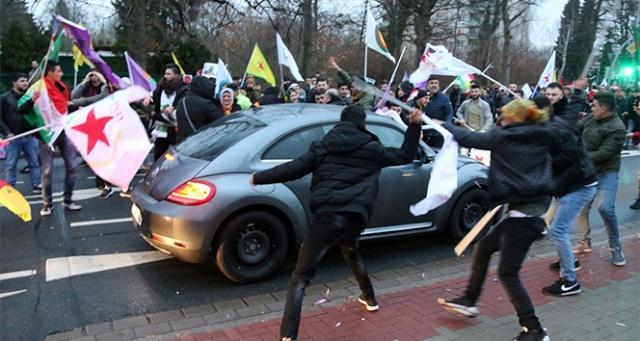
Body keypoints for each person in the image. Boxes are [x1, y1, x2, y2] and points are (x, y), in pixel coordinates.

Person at [251, 106, 423, 341]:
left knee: (300, 278)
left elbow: (292, 169)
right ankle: (370, 299)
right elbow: (406, 155)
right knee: (352, 252)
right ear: (363, 126)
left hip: (327, 217)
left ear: (340, 124)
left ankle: (288, 336)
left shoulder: (322, 147)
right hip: (354, 216)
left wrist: (259, 177)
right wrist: (413, 126)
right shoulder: (372, 148)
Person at [437, 99, 555, 341]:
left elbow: (470, 139)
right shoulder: (538, 134)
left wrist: (442, 124)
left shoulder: (506, 137)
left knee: (508, 274)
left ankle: (534, 330)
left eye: (505, 115)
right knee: (483, 247)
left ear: (515, 118)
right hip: (527, 213)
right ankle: (469, 300)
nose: (502, 118)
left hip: (524, 219)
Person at [541, 103, 597, 297]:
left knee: (558, 229)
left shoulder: (558, 131)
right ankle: (568, 261)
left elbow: (569, 155)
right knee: (551, 224)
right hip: (569, 187)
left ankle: (570, 281)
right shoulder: (553, 128)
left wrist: (545, 163)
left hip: (579, 187)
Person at [19, 60, 82, 216]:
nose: (61, 73)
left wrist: (77, 107)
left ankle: (68, 199)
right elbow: (22, 109)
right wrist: (33, 100)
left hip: (64, 133)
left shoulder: (62, 87)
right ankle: (47, 204)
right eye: (59, 71)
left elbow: (66, 107)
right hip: (47, 136)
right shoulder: (38, 89)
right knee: (47, 171)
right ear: (51, 73)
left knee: (73, 167)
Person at [573, 91, 626, 266]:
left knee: (605, 208)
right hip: (587, 172)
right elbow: (577, 128)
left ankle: (616, 247)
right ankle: (584, 241)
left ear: (603, 109)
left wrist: (578, 155)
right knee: (581, 207)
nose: (591, 108)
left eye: (594, 105)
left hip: (606, 172)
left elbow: (603, 154)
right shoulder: (591, 118)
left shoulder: (617, 128)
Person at [0, 72, 42, 193]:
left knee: (34, 162)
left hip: (29, 135)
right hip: (12, 137)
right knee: (11, 164)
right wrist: (7, 132)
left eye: (26, 80)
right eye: (22, 81)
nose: (25, 83)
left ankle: (37, 184)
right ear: (14, 83)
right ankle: (10, 188)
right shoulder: (4, 98)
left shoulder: (29, 98)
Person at [149, 63, 188, 161]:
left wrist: (173, 107)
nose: (165, 76)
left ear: (177, 75)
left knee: (178, 155)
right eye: (165, 74)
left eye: (168, 74)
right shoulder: (160, 87)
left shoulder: (184, 88)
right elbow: (154, 98)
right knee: (158, 155)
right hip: (161, 126)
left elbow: (184, 101)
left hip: (175, 127)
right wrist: (148, 98)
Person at [175, 76, 223, 144]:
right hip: (199, 143)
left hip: (182, 143)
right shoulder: (206, 104)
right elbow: (221, 121)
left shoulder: (182, 101)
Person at [423, 76, 454, 147]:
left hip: (438, 134)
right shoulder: (423, 96)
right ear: (427, 86)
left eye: (436, 83)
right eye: (431, 83)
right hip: (424, 133)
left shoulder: (444, 98)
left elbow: (449, 113)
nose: (434, 85)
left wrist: (446, 125)